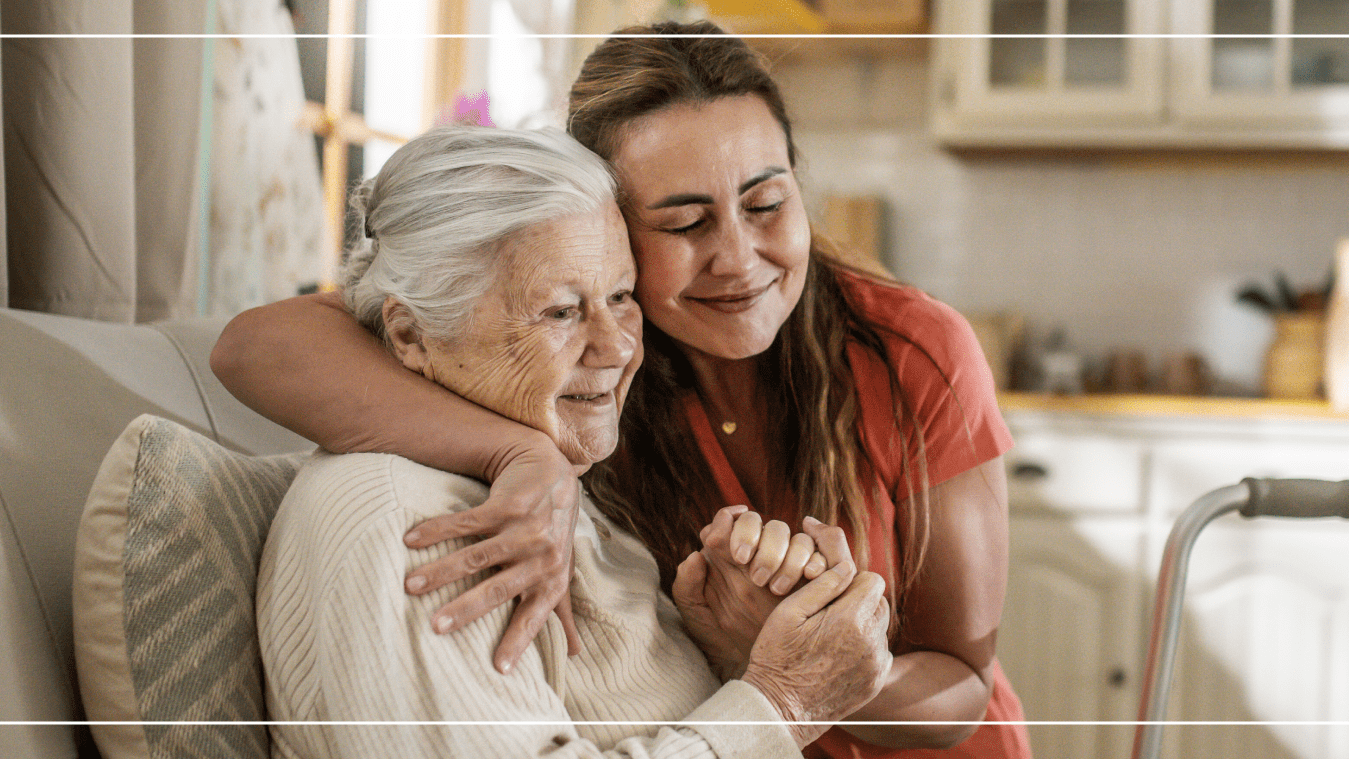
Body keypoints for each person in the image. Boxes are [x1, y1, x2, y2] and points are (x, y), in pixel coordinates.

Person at [216, 21, 1030, 759]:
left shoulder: (904, 350)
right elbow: (258, 344)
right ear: (616, 225)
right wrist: (520, 454)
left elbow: (964, 681)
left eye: (768, 203)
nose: (740, 257)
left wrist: (804, 662)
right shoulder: (578, 383)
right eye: (683, 223)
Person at [255, 126, 892, 758]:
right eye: (560, 312)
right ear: (412, 336)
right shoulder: (415, 531)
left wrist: (731, 651)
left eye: (620, 296)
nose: (617, 345)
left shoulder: (539, 478)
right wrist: (782, 702)